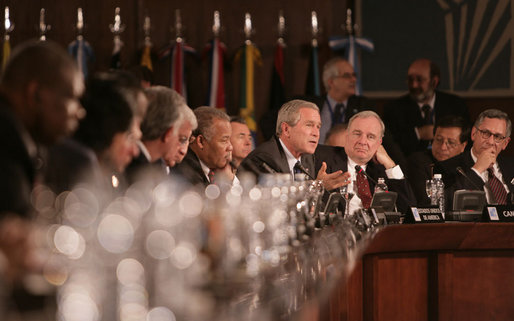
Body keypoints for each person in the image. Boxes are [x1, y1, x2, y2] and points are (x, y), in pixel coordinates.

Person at [0, 40, 84, 315]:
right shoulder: (5, 139)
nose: (79, 112)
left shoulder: (21, 138)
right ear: (36, 94)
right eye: (72, 98)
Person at [45, 72, 143, 194]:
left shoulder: (110, 176)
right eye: (129, 137)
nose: (135, 151)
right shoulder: (80, 165)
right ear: (108, 131)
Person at [315, 111, 416, 215]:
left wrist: (390, 164)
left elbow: (411, 210)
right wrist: (318, 185)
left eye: (370, 137)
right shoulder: (323, 158)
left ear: (379, 142)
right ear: (347, 135)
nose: (362, 141)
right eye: (357, 134)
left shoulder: (383, 170)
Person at [240, 99, 348, 189]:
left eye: (318, 127)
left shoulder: (307, 158)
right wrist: (317, 186)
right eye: (309, 125)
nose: (316, 133)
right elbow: (280, 205)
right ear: (286, 129)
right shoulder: (265, 159)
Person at [383, 58, 470, 157]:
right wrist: (418, 134)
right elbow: (391, 146)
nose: (414, 85)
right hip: (409, 166)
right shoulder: (394, 108)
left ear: (434, 81)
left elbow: (466, 139)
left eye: (420, 80)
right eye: (410, 79)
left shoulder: (456, 104)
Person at [436, 109, 513, 206]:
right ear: (473, 133)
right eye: (486, 133)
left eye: (497, 136)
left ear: (505, 143)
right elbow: (445, 204)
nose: (490, 142)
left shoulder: (511, 167)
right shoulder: (447, 168)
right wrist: (477, 170)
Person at [126, 86, 197, 183]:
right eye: (181, 139)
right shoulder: (139, 172)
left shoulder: (148, 165)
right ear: (168, 133)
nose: (183, 150)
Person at [407, 116, 469, 205]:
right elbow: (425, 202)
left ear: (463, 146)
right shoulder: (418, 161)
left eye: (451, 142)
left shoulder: (467, 164)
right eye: (439, 140)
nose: (443, 147)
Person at [170, 107, 235, 187]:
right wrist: (226, 183)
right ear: (201, 141)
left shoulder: (213, 169)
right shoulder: (186, 172)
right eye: (224, 141)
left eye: (229, 140)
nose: (230, 147)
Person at [318, 57, 372, 143]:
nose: (353, 80)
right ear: (331, 82)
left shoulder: (363, 105)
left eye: (354, 75)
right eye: (347, 76)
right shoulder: (314, 104)